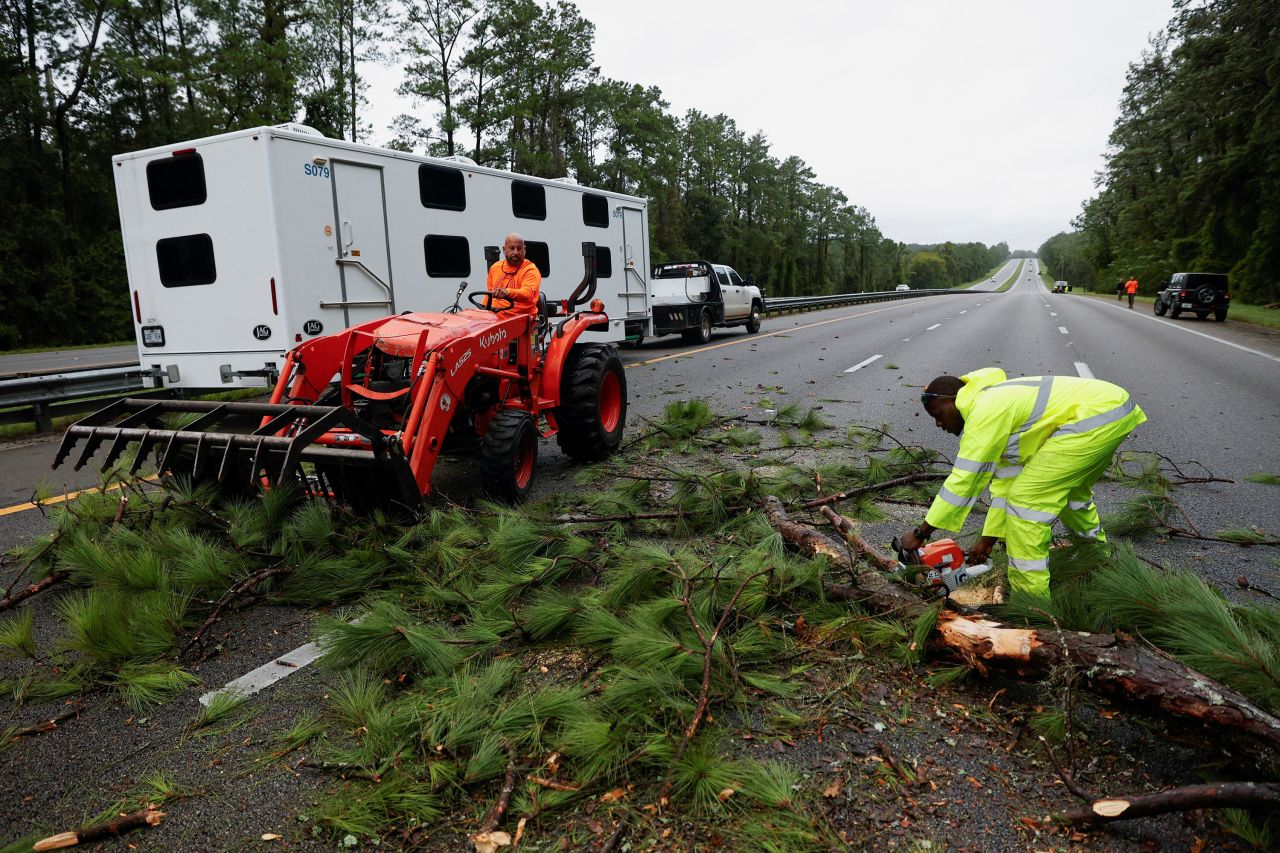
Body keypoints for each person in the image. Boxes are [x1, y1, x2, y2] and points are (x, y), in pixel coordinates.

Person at [900, 367, 1146, 603]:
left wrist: (920, 533)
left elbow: (964, 480)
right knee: (1071, 494)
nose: (938, 425)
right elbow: (1007, 482)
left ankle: (1031, 604)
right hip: (1113, 407)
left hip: (1096, 415)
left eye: (938, 415)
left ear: (952, 400)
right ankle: (1098, 561)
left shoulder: (984, 412)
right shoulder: (992, 402)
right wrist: (988, 540)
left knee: (1026, 502)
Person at [486, 233, 542, 321]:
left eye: (519, 248)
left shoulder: (530, 270)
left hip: (520, 322)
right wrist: (480, 311)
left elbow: (527, 293)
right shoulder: (495, 268)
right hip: (495, 321)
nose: (515, 252)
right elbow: (489, 294)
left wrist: (507, 292)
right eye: (512, 248)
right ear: (504, 250)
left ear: (524, 249)